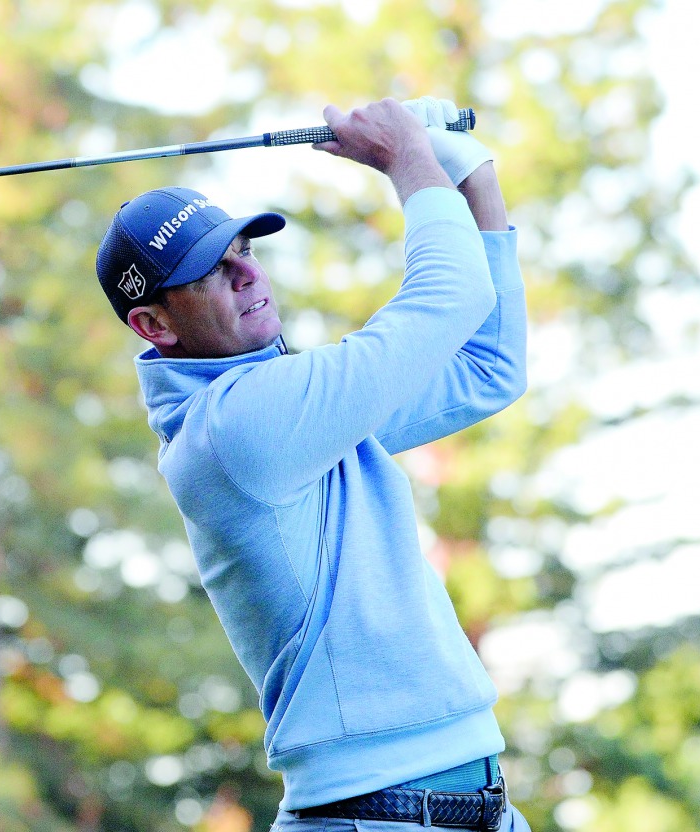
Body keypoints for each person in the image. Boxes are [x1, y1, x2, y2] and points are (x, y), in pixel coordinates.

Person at [95, 97, 529, 831]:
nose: (245, 273)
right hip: (380, 816)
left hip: (469, 808)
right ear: (154, 324)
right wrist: (408, 159)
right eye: (209, 270)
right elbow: (448, 298)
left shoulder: (297, 415)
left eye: (245, 249)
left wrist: (469, 173)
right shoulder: (238, 428)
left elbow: (488, 365)